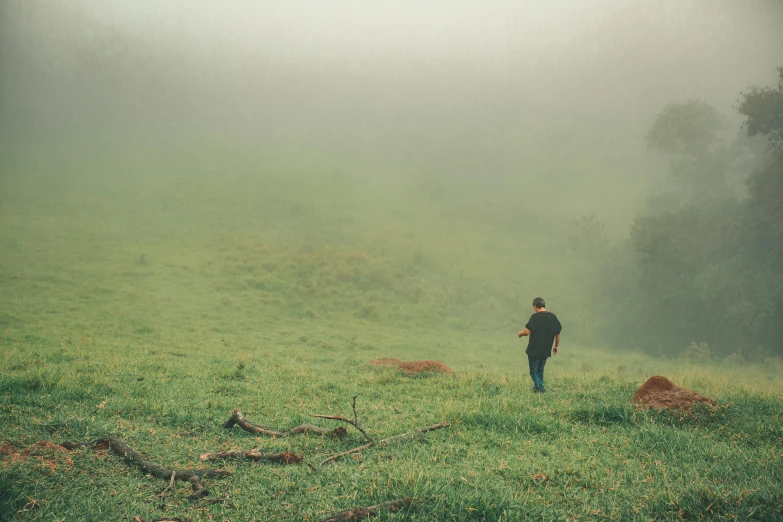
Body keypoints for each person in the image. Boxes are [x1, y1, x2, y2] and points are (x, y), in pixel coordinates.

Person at [518, 297, 562, 393]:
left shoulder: (535, 317)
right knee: (540, 369)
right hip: (546, 349)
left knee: (533, 371)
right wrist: (556, 346)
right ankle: (537, 388)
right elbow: (557, 334)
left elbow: (527, 332)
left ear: (535, 306)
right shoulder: (553, 317)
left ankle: (541, 389)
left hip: (534, 349)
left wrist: (520, 333)